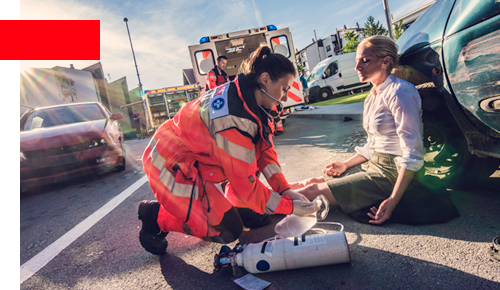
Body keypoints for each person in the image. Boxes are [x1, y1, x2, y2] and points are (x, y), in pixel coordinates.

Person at [138, 46, 319, 255]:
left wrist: (284, 190)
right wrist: (290, 207)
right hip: (170, 163)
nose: (285, 97)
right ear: (265, 79)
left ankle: (239, 205)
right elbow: (246, 185)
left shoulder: (250, 100)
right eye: (285, 88)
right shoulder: (233, 119)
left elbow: (264, 151)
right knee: (227, 231)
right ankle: (156, 216)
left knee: (255, 202)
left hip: (196, 156)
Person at [289, 35, 458, 226]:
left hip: (391, 173)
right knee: (310, 181)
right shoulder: (373, 95)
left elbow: (413, 153)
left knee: (311, 192)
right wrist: (346, 164)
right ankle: (257, 197)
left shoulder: (401, 92)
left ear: (386, 62)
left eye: (365, 60)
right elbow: (373, 144)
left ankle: (257, 207)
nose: (357, 67)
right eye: (357, 61)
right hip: (373, 163)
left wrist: (393, 200)